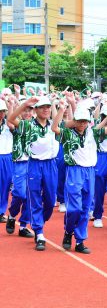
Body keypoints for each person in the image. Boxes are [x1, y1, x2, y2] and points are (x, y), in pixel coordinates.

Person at [52, 98, 107, 254]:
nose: (82, 124)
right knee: (74, 208)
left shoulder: (93, 133)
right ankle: (68, 231)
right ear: (74, 121)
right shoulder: (68, 134)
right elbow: (54, 127)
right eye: (79, 121)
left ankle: (80, 240)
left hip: (90, 172)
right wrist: (61, 109)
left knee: (86, 207)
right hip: (74, 171)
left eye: (85, 121)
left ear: (88, 122)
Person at [8, 96, 60, 251]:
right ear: (36, 110)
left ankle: (38, 222)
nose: (46, 109)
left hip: (51, 164)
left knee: (50, 201)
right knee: (34, 198)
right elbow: (11, 119)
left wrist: (65, 105)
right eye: (42, 107)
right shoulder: (28, 125)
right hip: (34, 164)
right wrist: (25, 104)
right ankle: (39, 232)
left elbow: (72, 122)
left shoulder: (54, 125)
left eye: (48, 107)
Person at [5, 95, 35, 237]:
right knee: (20, 194)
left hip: (34, 164)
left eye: (30, 110)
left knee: (30, 196)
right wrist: (12, 104)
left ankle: (23, 226)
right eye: (25, 110)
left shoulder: (36, 125)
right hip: (20, 163)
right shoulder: (18, 125)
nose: (27, 113)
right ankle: (12, 215)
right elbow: (10, 122)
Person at [0, 99, 14, 224]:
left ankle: (1, 212)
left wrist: (11, 106)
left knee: (5, 186)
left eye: (2, 111)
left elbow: (12, 120)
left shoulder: (8, 125)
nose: (0, 113)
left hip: (6, 157)